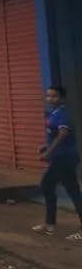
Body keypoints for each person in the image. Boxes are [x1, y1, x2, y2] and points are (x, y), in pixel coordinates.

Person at [33, 86, 82, 239]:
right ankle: (49, 224)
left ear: (62, 98)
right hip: (65, 157)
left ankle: (50, 224)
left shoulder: (62, 114)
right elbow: (57, 136)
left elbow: (63, 134)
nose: (50, 99)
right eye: (48, 96)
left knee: (47, 185)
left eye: (54, 96)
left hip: (63, 158)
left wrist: (48, 152)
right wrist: (46, 146)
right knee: (73, 191)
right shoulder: (54, 114)